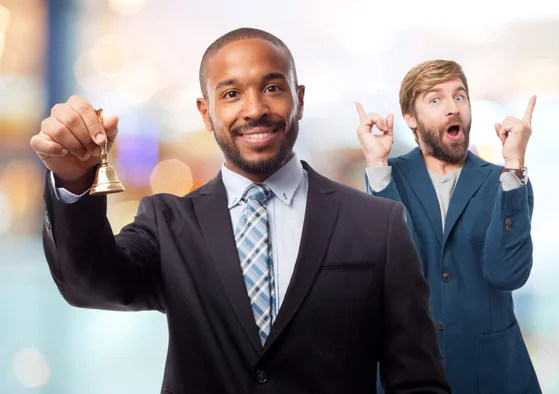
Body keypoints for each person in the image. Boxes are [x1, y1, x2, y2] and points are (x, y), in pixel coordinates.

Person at [30, 28, 451, 394]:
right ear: (205, 112)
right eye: (231, 94)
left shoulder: (378, 224)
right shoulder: (168, 224)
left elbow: (417, 381)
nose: (254, 110)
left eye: (272, 87)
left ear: (298, 99)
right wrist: (75, 182)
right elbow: (91, 286)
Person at [356, 59, 542, 394]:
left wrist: (514, 165)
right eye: (435, 99)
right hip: (408, 374)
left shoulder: (504, 182)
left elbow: (507, 275)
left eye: (459, 97)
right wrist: (377, 165)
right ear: (410, 118)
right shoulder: (386, 178)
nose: (452, 108)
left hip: (495, 374)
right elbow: (400, 272)